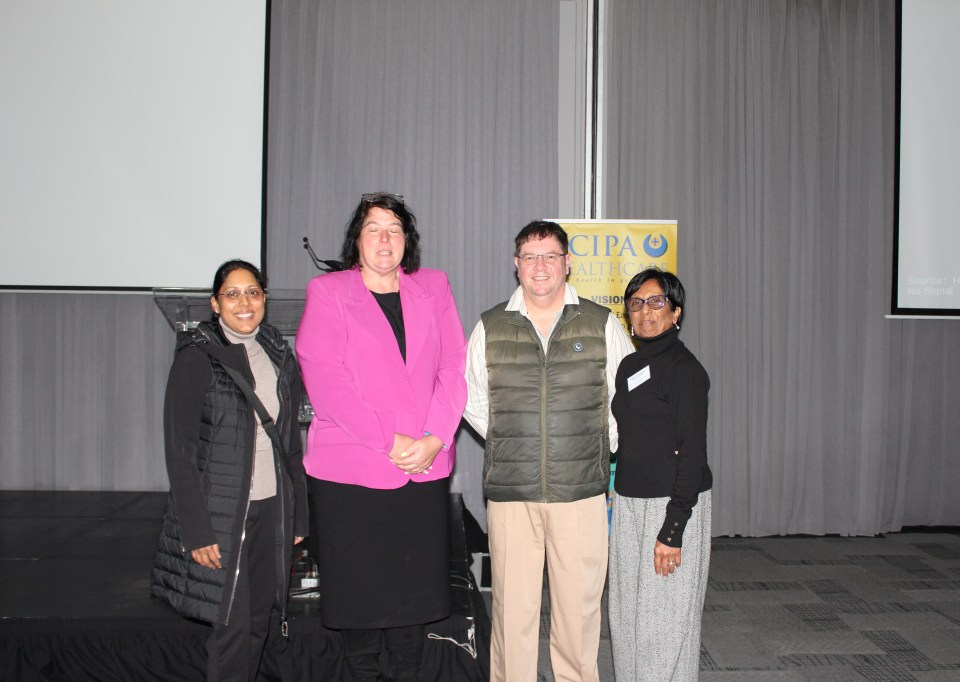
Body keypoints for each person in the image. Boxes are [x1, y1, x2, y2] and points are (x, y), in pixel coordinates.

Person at [295, 192, 468, 681]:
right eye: (373, 228)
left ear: (407, 240)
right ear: (357, 240)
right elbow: (325, 377)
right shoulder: (328, 292)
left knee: (413, 604)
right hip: (351, 474)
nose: (384, 238)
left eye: (394, 229)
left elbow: (455, 367)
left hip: (422, 468)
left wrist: (435, 437)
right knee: (361, 607)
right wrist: (390, 441)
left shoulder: (433, 286)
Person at [463, 220, 634, 682]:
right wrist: (509, 439)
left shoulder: (601, 324)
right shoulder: (490, 325)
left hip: (579, 494)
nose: (541, 266)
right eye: (531, 257)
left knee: (578, 616)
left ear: (567, 263)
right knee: (511, 613)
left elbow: (624, 400)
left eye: (550, 256)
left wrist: (598, 444)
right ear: (516, 265)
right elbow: (472, 399)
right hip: (511, 494)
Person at [152, 259, 309, 682]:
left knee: (258, 624)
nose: (244, 303)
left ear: (264, 299)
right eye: (233, 294)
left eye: (252, 292)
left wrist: (298, 514)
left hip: (272, 510)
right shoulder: (197, 358)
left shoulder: (278, 355)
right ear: (215, 304)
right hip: (222, 518)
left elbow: (290, 444)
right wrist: (197, 531)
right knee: (233, 631)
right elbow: (180, 452)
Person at [608, 268, 712, 682]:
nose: (645, 312)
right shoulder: (629, 366)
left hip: (672, 504)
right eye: (635, 303)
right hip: (629, 502)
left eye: (656, 302)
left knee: (664, 623)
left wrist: (673, 529)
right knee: (627, 617)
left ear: (676, 311)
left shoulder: (686, 370)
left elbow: (693, 453)